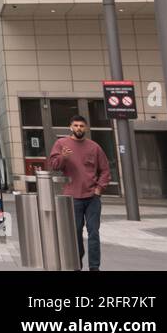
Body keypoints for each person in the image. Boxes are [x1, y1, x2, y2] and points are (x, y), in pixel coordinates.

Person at [47, 114, 111, 271]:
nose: (78, 128)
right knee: (75, 234)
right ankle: (76, 265)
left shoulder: (94, 147)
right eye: (75, 125)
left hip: (92, 198)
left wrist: (99, 188)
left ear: (86, 128)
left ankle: (94, 267)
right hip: (72, 198)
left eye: (81, 126)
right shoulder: (61, 143)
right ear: (70, 127)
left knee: (93, 233)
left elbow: (105, 170)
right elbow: (53, 165)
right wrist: (64, 157)